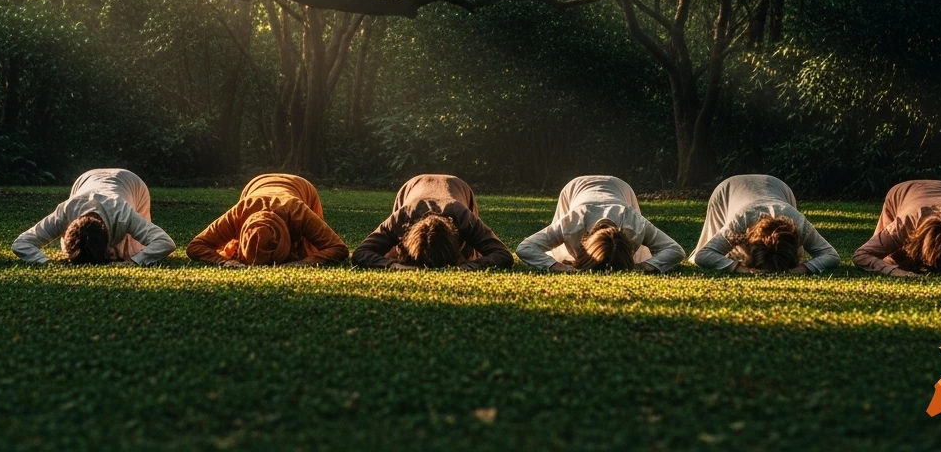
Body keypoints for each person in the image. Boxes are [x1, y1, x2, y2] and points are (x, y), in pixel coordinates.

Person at [517, 175, 685, 272]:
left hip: (620, 187)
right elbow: (525, 248)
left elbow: (675, 250)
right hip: (575, 187)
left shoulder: (635, 225)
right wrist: (558, 267)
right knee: (563, 255)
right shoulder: (572, 224)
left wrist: (645, 266)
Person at [12, 168, 175, 265]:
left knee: (132, 251)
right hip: (86, 179)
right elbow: (21, 243)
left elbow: (164, 243)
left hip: (132, 182)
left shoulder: (124, 214)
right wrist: (44, 263)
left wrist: (133, 262)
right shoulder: (65, 212)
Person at [352, 174, 513, 270]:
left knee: (469, 256)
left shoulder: (463, 216)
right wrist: (394, 265)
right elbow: (361, 252)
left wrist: (467, 267)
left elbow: (503, 254)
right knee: (398, 255)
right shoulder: (402, 217)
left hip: (457, 186)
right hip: (413, 185)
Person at [186, 173, 348, 267]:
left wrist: (301, 263)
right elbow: (195, 246)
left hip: (300, 186)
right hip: (256, 185)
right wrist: (225, 262)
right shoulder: (239, 213)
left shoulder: (299, 212)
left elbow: (338, 248)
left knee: (307, 249)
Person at [689, 173, 840, 274]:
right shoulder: (741, 219)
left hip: (775, 185)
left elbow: (831, 255)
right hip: (728, 188)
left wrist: (800, 269)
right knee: (727, 254)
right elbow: (704, 255)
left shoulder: (798, 223)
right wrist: (741, 268)